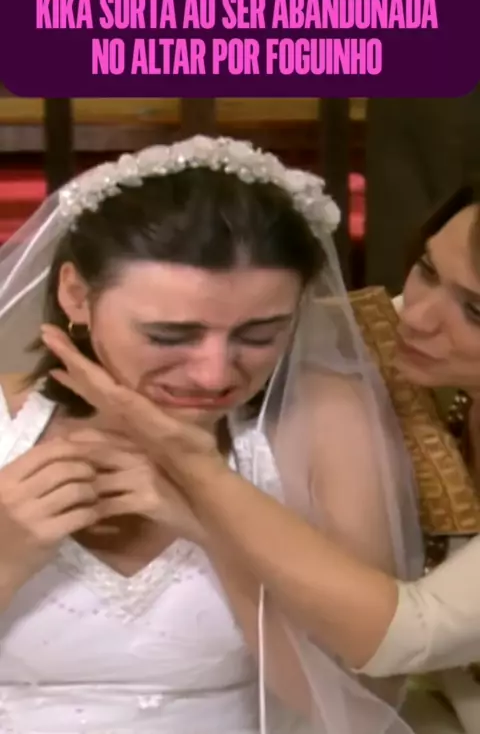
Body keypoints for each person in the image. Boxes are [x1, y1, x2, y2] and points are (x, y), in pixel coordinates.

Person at [0, 135, 423, 734]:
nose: (215, 374)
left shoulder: (323, 419)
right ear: (76, 295)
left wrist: (218, 530)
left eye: (259, 335)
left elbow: (360, 707)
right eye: (170, 336)